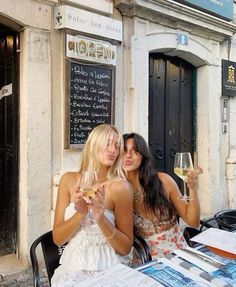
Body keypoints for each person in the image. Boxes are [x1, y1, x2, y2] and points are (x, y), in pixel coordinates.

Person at [51, 124, 133, 287]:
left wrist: (100, 218)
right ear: (93, 144)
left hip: (108, 267)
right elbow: (58, 239)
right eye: (108, 142)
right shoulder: (68, 180)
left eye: (117, 146)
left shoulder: (120, 188)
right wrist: (80, 213)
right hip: (72, 267)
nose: (113, 150)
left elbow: (125, 248)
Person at [123, 132, 202, 261]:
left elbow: (193, 222)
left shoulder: (164, 181)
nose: (128, 155)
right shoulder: (118, 191)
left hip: (179, 255)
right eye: (124, 150)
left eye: (135, 150)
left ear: (143, 155)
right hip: (146, 261)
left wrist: (192, 188)